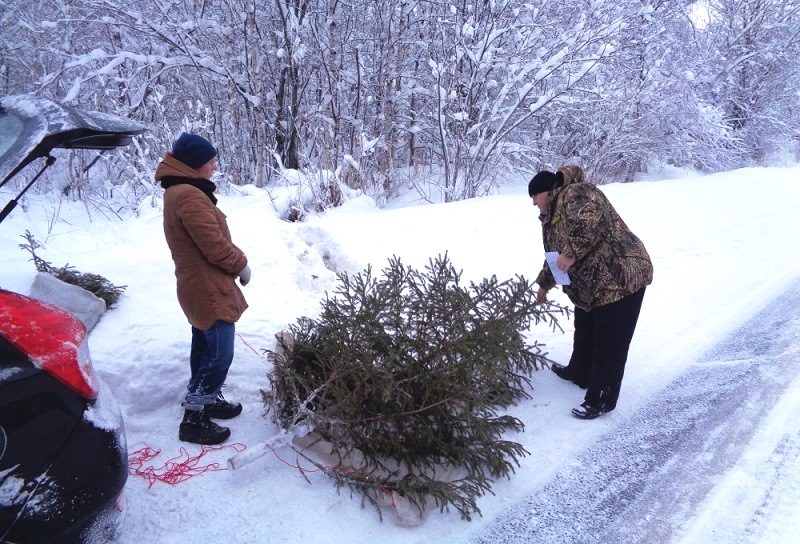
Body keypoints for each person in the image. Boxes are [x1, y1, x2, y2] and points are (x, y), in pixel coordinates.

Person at [529, 165, 652, 419]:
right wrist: (544, 283)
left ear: (545, 192)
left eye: (534, 197)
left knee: (610, 341)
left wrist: (570, 252)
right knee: (585, 327)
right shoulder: (553, 215)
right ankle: (579, 372)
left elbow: (590, 223)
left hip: (621, 276)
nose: (533, 203)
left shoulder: (576, 193)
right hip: (593, 283)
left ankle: (601, 399)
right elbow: (556, 255)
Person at [155, 132, 252, 444]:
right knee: (220, 353)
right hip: (207, 286)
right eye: (210, 161)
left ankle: (208, 399)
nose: (214, 167)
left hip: (199, 283)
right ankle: (194, 418)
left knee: (205, 345)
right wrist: (241, 264)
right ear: (196, 164)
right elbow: (213, 245)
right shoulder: (189, 195)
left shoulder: (182, 190)